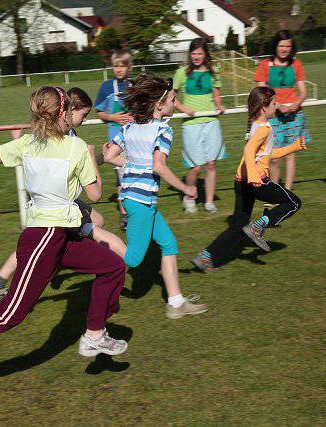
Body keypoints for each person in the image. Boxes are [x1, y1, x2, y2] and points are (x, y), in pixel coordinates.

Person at [0, 87, 128, 397]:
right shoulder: (76, 147)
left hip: (61, 235)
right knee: (11, 313)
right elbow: (95, 194)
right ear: (63, 113)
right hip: (44, 238)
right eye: (71, 110)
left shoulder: (28, 142)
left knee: (112, 265)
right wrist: (99, 160)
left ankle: (94, 335)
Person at [0, 87, 126, 302]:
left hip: (53, 199)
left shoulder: (62, 134)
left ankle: (1, 280)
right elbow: (92, 186)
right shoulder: (66, 136)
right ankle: (130, 262)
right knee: (82, 229)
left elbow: (82, 166)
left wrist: (101, 157)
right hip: (57, 201)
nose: (85, 120)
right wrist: (94, 158)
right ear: (69, 111)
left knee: (93, 222)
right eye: (83, 114)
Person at [104, 75, 208, 319]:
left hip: (137, 199)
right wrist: (185, 188)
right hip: (141, 202)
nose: (175, 104)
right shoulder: (163, 130)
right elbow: (159, 166)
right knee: (134, 259)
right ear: (159, 105)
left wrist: (134, 165)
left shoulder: (129, 127)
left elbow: (109, 157)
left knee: (169, 244)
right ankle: (92, 235)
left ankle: (176, 303)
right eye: (173, 100)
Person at [192, 87, 306, 273]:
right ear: (264, 107)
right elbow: (248, 150)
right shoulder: (263, 129)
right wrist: (254, 176)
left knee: (238, 227)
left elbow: (267, 154)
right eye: (274, 103)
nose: (276, 106)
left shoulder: (256, 124)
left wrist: (294, 146)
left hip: (241, 181)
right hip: (256, 181)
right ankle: (259, 226)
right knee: (294, 203)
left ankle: (205, 257)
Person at [254, 30, 311, 203]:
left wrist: (297, 103)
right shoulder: (265, 65)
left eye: (288, 46)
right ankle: (275, 192)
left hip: (294, 115)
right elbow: (261, 92)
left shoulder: (296, 64)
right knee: (273, 157)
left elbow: (303, 91)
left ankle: (287, 193)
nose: (285, 49)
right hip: (273, 116)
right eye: (281, 45)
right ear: (275, 46)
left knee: (290, 154)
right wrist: (277, 106)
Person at [173, 38, 227, 213]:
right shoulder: (181, 73)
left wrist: (219, 105)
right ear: (190, 54)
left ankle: (209, 202)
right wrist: (183, 109)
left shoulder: (213, 72)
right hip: (191, 125)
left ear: (205, 55)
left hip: (211, 122)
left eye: (200, 53)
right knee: (195, 167)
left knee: (211, 164)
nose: (196, 57)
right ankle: (189, 198)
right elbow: (171, 98)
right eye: (193, 53)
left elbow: (216, 95)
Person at [95, 49, 134, 230]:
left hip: (135, 138)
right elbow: (99, 112)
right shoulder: (106, 87)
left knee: (135, 175)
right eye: (116, 66)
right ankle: (124, 215)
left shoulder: (135, 86)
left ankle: (137, 210)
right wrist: (112, 117)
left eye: (123, 66)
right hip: (116, 140)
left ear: (129, 67)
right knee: (122, 178)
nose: (119, 69)